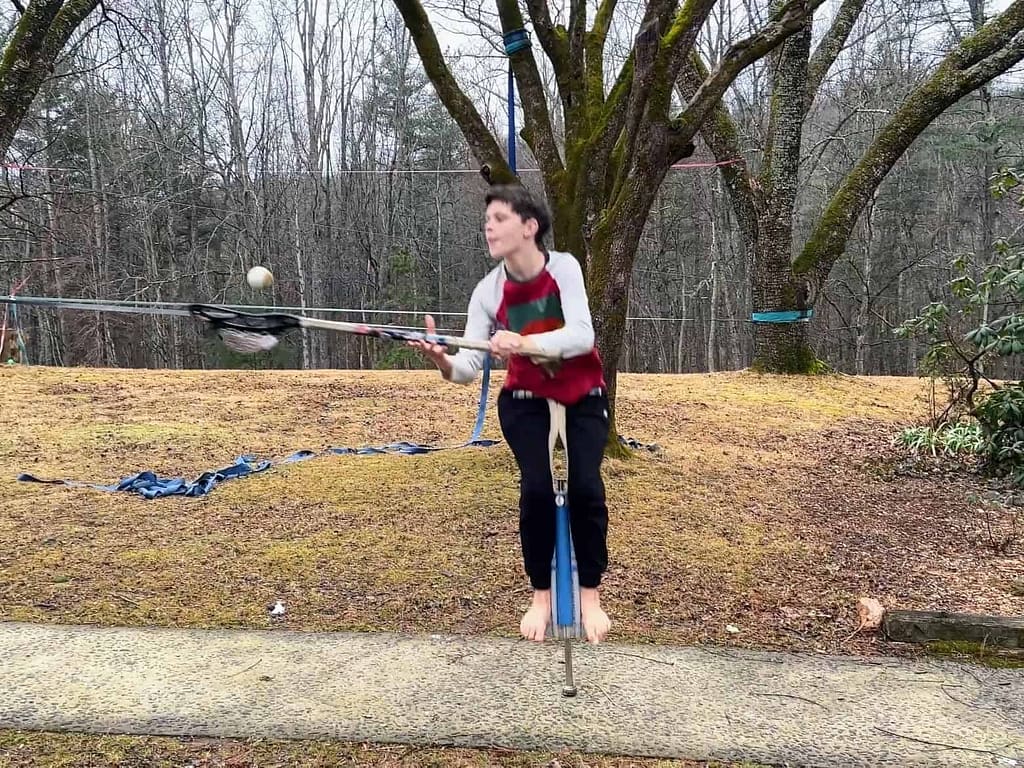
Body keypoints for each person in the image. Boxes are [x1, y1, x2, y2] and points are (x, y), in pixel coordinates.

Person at [409, 184, 612, 644]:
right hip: (524, 400)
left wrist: (523, 342)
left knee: (585, 488)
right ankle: (540, 597)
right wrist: (442, 359)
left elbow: (581, 336)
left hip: (584, 394)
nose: (489, 226)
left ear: (529, 226)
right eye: (488, 220)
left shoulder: (564, 269)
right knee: (537, 490)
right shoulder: (488, 292)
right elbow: (467, 367)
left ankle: (590, 596)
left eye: (499, 218)